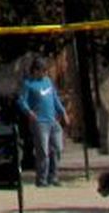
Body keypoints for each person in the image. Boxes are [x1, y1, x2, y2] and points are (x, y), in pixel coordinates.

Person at [17, 55, 70, 187]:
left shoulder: (48, 81)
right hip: (40, 122)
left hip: (53, 120)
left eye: (45, 71)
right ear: (35, 70)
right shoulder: (28, 84)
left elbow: (55, 98)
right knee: (43, 152)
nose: (45, 73)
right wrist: (29, 112)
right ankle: (42, 179)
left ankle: (54, 176)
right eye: (42, 71)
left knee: (57, 148)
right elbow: (22, 101)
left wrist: (63, 112)